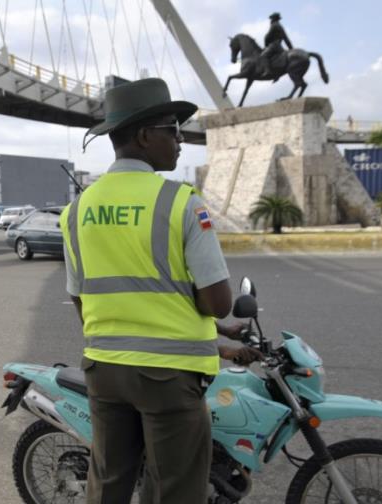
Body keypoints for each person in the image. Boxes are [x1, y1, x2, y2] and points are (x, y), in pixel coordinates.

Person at [65, 78, 261, 504]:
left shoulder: (77, 209)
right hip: (170, 376)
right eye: (173, 130)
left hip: (104, 369)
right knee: (174, 488)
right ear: (143, 135)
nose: (180, 142)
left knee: (109, 482)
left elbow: (81, 298)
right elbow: (218, 302)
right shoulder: (182, 202)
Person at [259, 12, 293, 80]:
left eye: (271, 19)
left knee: (263, 56)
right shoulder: (280, 26)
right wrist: (291, 49)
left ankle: (267, 71)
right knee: (273, 59)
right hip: (279, 46)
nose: (270, 20)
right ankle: (276, 74)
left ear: (274, 19)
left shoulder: (274, 25)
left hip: (273, 46)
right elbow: (286, 39)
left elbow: (267, 36)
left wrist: (265, 45)